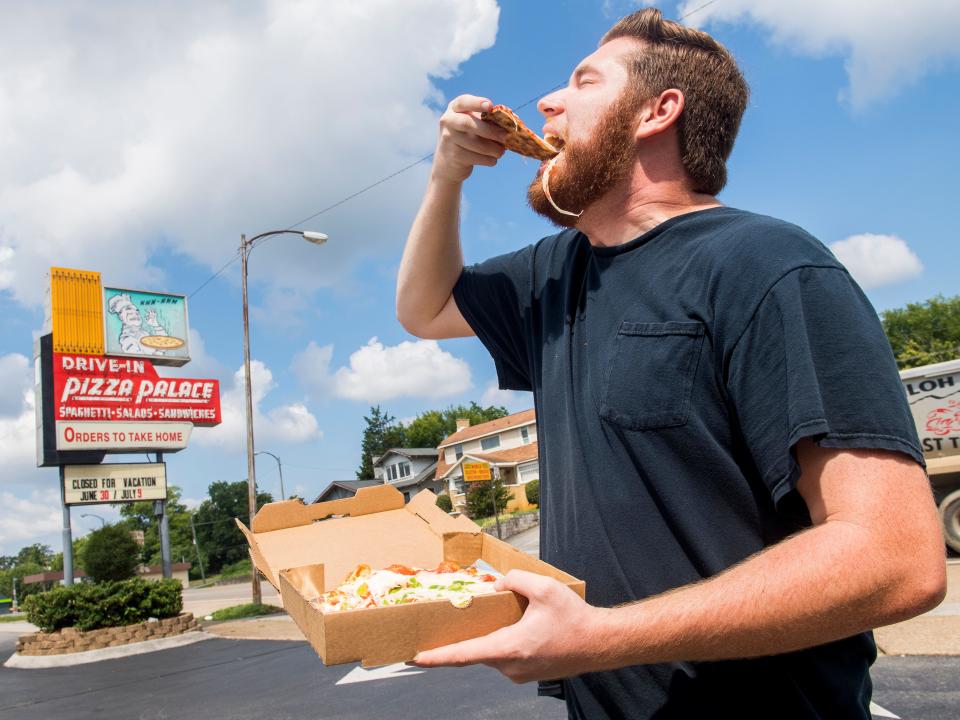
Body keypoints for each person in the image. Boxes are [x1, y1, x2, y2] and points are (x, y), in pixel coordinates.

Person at [397, 8, 946, 719]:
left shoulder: (770, 267)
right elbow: (424, 308)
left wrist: (601, 638)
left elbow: (896, 557)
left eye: (582, 82)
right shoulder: (555, 275)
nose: (544, 104)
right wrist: (447, 176)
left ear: (657, 112)